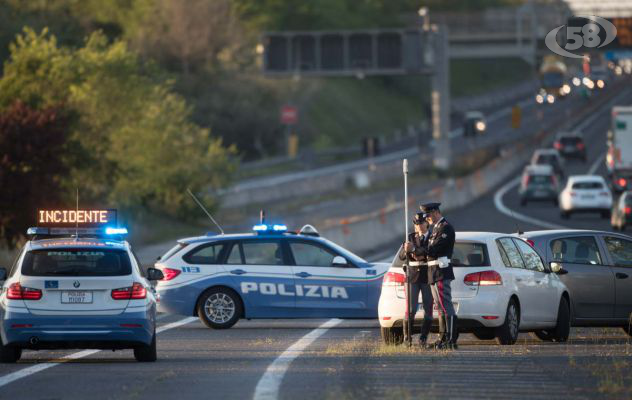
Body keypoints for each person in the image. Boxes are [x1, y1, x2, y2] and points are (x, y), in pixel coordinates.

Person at [421, 202, 458, 350]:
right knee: (440, 308)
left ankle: (451, 338)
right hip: (433, 271)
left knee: (446, 306)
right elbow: (429, 248)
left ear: (436, 212)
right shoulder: (436, 228)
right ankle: (443, 337)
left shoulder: (446, 228)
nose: (428, 219)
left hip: (441, 271)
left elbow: (434, 249)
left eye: (429, 216)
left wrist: (419, 249)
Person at [400, 212, 434, 348]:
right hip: (412, 276)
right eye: (416, 223)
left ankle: (423, 337)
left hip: (427, 276)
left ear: (427, 223)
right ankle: (407, 338)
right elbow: (402, 256)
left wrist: (415, 249)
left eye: (421, 223)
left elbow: (430, 251)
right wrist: (406, 249)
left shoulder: (432, 237)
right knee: (411, 309)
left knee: (428, 308)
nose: (419, 226)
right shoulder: (410, 237)